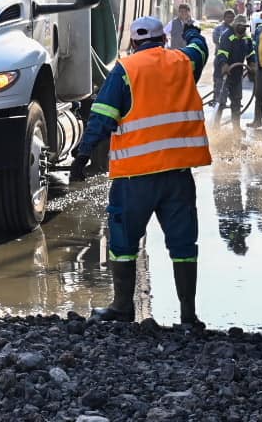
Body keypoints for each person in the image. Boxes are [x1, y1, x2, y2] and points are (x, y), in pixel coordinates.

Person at [70, 16, 210, 328]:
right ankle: (188, 316)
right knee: (184, 243)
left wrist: (82, 155)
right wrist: (191, 32)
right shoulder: (184, 61)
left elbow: (102, 116)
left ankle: (123, 308)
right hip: (177, 175)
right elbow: (201, 48)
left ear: (134, 43)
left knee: (123, 242)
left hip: (135, 177)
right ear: (163, 40)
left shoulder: (126, 70)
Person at [215, 15, 255, 129]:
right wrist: (224, 65)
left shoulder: (246, 39)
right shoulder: (227, 36)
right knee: (221, 101)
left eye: (244, 27)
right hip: (224, 73)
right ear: (235, 25)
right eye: (240, 26)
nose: (242, 29)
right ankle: (216, 126)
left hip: (237, 74)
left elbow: (250, 53)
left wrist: (252, 63)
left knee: (236, 101)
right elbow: (222, 53)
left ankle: (236, 127)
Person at [211, 10, 235, 106]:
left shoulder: (236, 29)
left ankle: (233, 101)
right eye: (228, 17)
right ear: (224, 18)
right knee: (218, 79)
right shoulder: (218, 29)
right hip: (220, 58)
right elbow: (216, 40)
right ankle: (216, 99)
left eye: (232, 17)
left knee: (232, 81)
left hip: (233, 59)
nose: (230, 19)